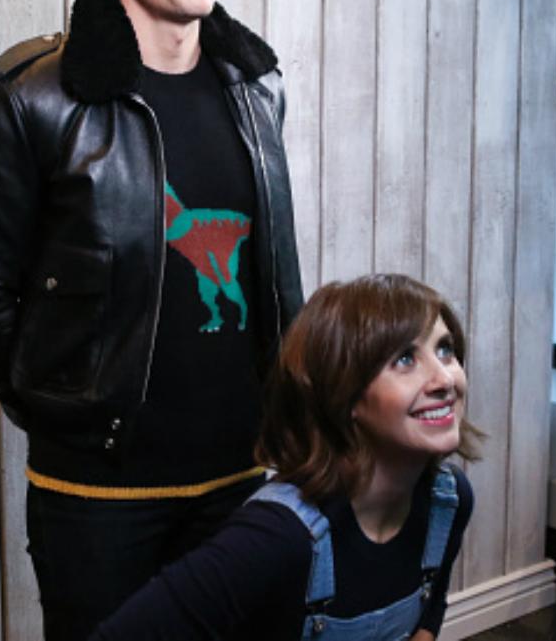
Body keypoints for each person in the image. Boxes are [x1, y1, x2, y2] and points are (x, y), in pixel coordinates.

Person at [0, 0, 303, 638]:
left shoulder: (257, 86)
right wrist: (64, 406)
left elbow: (272, 271)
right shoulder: (28, 101)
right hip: (100, 493)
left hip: (246, 474)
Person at [88, 274, 481, 641]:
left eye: (445, 350)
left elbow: (430, 612)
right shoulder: (277, 539)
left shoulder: (448, 502)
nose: (445, 379)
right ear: (344, 395)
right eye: (405, 360)